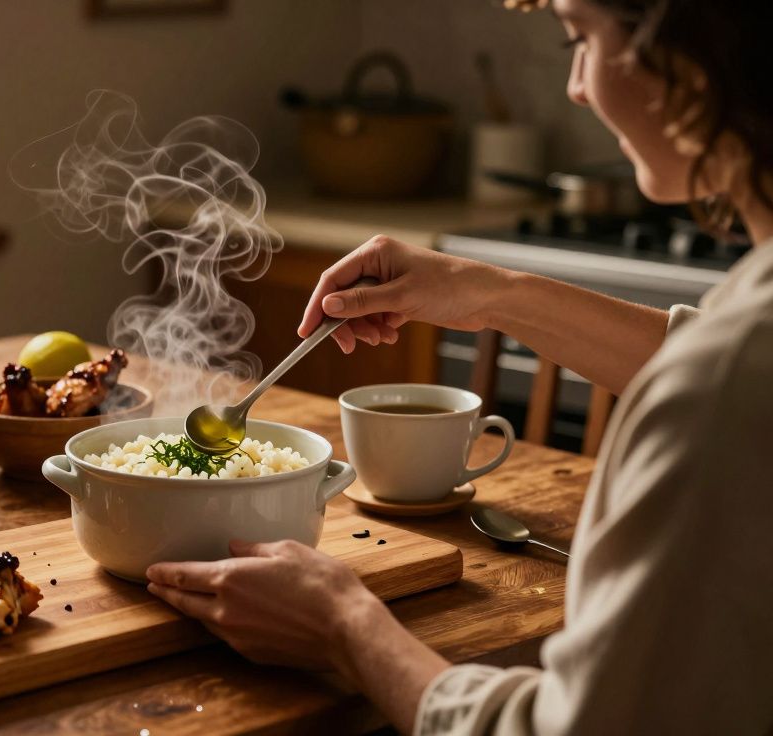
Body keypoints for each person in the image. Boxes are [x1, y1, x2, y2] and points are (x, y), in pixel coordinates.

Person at [145, 0, 773, 733]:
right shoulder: (740, 344)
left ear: (690, 60)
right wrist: (490, 293)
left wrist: (346, 626)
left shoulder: (726, 378)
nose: (575, 85)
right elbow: (720, 364)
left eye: (581, 39)